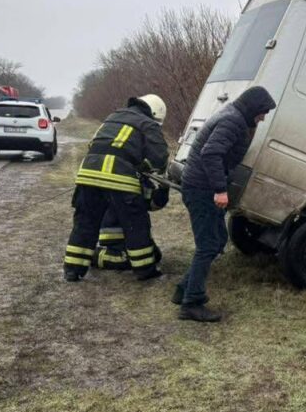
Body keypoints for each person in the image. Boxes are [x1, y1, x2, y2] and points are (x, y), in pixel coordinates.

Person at [174, 86, 276, 322]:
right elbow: (211, 154)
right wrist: (220, 190)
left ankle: (184, 290)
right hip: (202, 189)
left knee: (218, 239)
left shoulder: (234, 116)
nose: (262, 118)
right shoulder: (232, 121)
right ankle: (192, 303)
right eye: (262, 113)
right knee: (208, 244)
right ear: (253, 108)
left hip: (201, 186)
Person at [64, 94, 169, 282]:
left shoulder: (113, 117)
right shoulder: (147, 123)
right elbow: (159, 157)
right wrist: (151, 170)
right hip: (119, 178)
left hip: (87, 174)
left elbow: (95, 144)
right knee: (135, 223)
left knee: (85, 222)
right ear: (154, 114)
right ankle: (145, 270)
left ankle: (72, 270)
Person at [91, 177, 169, 270]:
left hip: (136, 234)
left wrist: (163, 189)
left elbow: (152, 203)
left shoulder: (139, 177)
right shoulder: (121, 178)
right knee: (130, 261)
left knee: (154, 256)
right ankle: (94, 256)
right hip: (116, 236)